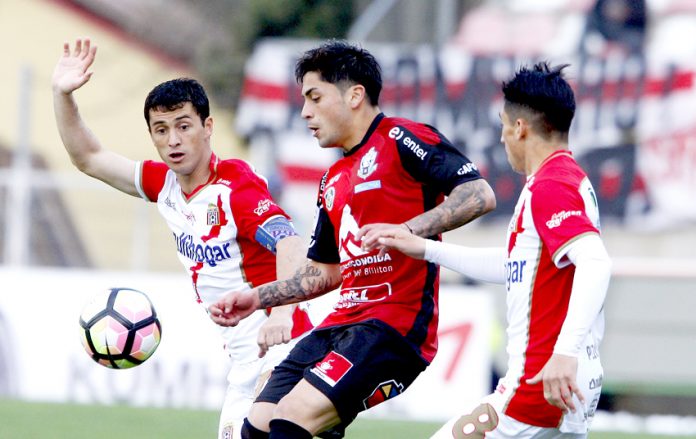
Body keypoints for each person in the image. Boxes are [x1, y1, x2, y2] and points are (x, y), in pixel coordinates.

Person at [208, 40, 496, 439]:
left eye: (314, 97)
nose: (305, 111)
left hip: (392, 326)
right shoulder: (333, 177)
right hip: (341, 323)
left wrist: (410, 229)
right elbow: (325, 273)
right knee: (257, 425)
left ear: (355, 95)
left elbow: (479, 194)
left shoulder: (402, 138)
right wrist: (257, 297)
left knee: (291, 417)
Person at [52, 38, 314, 439]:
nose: (172, 139)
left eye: (183, 126)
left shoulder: (236, 188)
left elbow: (290, 243)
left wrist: (281, 314)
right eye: (161, 130)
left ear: (207, 128)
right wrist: (62, 94)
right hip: (244, 362)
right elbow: (88, 157)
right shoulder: (164, 185)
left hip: (284, 349)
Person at [362, 62, 612, 439]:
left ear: (520, 128)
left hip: (540, 383)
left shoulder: (551, 185)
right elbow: (517, 265)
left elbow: (595, 262)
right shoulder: (568, 179)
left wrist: (565, 351)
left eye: (502, 124)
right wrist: (427, 249)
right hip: (566, 383)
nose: (501, 137)